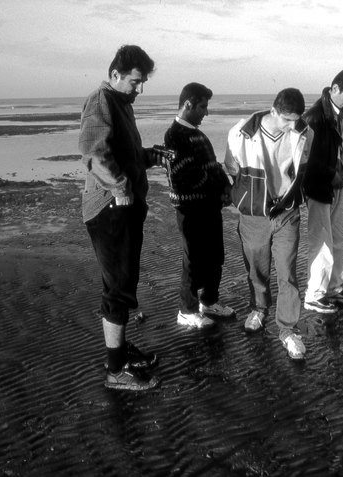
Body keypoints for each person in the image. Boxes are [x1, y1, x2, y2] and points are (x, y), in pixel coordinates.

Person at [79, 45, 162, 391]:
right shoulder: (101, 101)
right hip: (110, 208)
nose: (139, 89)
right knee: (118, 288)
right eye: (135, 81)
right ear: (115, 75)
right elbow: (94, 154)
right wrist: (121, 188)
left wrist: (150, 156)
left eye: (142, 83)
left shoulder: (120, 104)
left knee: (121, 283)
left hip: (121, 206)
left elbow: (122, 153)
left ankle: (120, 351)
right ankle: (116, 371)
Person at [224, 88, 313, 360]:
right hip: (254, 215)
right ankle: (258, 309)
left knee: (287, 272)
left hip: (287, 212)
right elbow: (231, 169)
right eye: (286, 119)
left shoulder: (305, 133)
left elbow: (303, 170)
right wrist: (245, 201)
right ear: (273, 111)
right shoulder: (240, 133)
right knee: (256, 268)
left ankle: (288, 330)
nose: (291, 126)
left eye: (295, 120)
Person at [163, 82, 235, 329]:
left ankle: (209, 302)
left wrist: (226, 186)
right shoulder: (173, 135)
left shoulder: (198, 134)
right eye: (203, 106)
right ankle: (186, 310)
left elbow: (212, 166)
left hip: (210, 206)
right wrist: (216, 187)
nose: (206, 112)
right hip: (189, 209)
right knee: (192, 260)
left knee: (215, 256)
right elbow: (184, 176)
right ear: (188, 105)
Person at [302, 69, 343, 314]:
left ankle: (334, 289)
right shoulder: (314, 117)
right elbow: (307, 159)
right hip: (319, 187)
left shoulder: (340, 113)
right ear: (334, 89)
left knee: (340, 237)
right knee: (321, 243)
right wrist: (332, 174)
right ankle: (314, 295)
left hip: (338, 183)